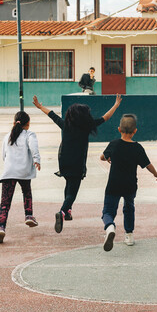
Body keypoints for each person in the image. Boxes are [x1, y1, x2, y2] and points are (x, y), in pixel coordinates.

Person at [33, 94, 122, 233]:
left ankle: (67, 212)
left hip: (64, 161)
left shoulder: (65, 125)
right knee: (72, 193)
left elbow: (52, 115)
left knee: (68, 184)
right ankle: (62, 212)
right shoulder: (87, 127)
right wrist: (116, 105)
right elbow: (106, 117)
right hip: (77, 163)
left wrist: (39, 106)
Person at [101, 114, 157, 252]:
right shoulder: (137, 148)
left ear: (119, 129)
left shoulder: (113, 144)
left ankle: (110, 226)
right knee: (129, 208)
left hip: (114, 184)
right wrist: (156, 174)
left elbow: (102, 157)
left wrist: (108, 157)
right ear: (135, 131)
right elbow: (148, 164)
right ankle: (129, 235)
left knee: (108, 211)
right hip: (130, 184)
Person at [0, 111, 40, 243]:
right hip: (23, 172)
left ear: (14, 122)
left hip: (9, 172)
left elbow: (3, 155)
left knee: (5, 203)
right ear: (28, 124)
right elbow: (33, 146)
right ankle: (29, 215)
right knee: (27, 192)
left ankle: (1, 227)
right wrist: (36, 160)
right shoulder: (30, 134)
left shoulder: (7, 136)